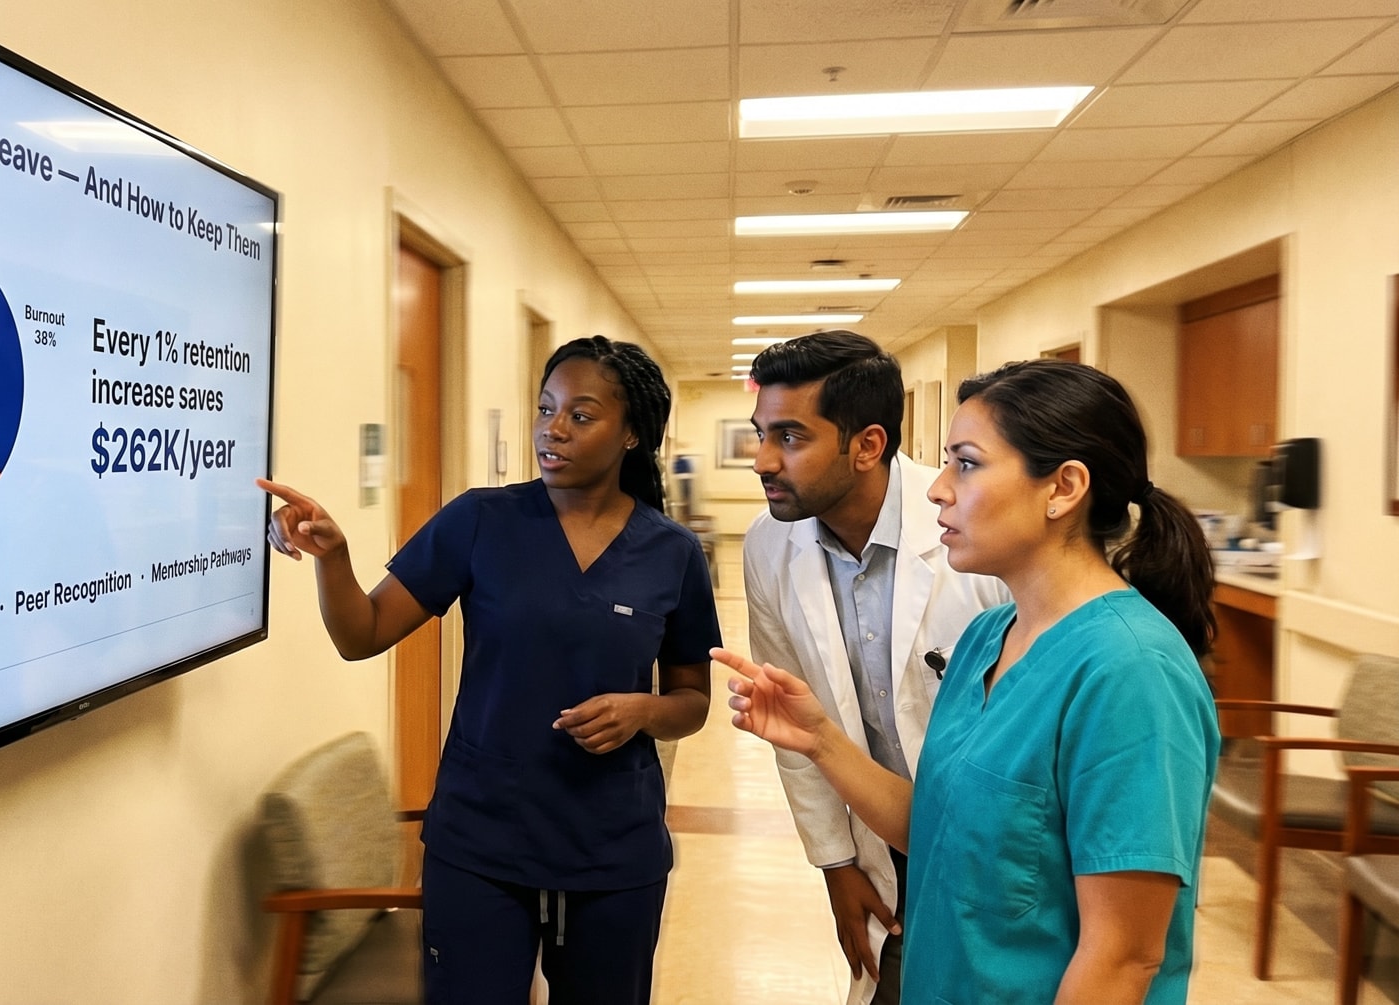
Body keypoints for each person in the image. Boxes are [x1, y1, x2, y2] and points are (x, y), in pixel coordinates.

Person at [719, 358, 1221, 1004]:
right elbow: (936, 824)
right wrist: (819, 737)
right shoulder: (990, 637)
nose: (937, 490)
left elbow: (1122, 956)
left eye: (967, 463)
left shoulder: (1130, 673)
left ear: (1063, 487)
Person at [258, 336, 720, 1005]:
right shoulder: (481, 520)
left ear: (631, 436)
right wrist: (334, 558)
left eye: (580, 415)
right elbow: (363, 633)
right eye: (545, 408)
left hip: (613, 851)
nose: (552, 429)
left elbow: (692, 698)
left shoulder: (671, 552)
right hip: (482, 844)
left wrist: (643, 710)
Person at [740, 331, 1008, 1005]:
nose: (763, 460)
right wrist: (834, 859)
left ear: (867, 444)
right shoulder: (770, 545)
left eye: (791, 437)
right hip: (880, 844)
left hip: (995, 841)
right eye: (760, 433)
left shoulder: (971, 528)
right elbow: (797, 727)